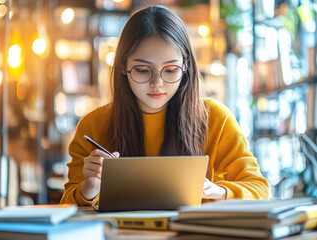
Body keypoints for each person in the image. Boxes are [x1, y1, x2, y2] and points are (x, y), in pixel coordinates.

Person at [60, 5, 270, 206]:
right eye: (143, 70)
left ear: (186, 65)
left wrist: (215, 191)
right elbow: (66, 203)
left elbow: (260, 189)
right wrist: (90, 188)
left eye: (170, 70)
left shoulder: (216, 119)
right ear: (123, 66)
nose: (157, 84)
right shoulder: (93, 125)